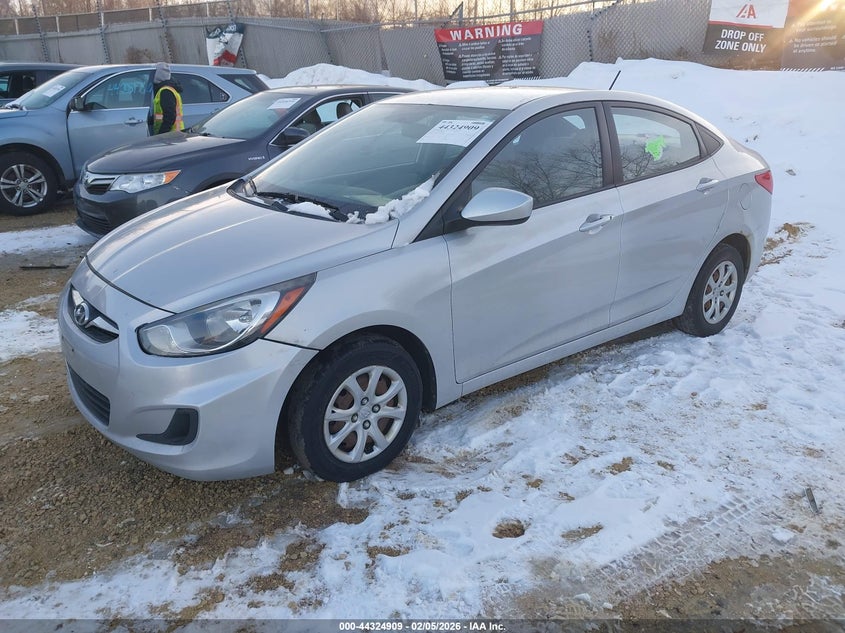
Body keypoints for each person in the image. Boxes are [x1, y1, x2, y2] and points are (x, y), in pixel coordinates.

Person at [152, 62, 184, 134]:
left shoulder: (165, 91)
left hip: (171, 135)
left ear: (158, 75)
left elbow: (170, 117)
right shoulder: (169, 89)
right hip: (175, 133)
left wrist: (161, 134)